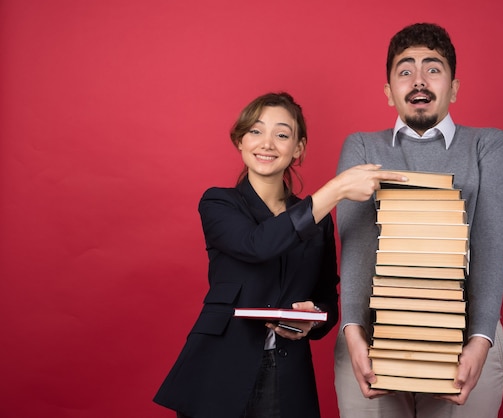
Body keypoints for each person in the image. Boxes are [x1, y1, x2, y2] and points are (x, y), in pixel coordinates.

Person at [153, 92, 406, 418]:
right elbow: (257, 245)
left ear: (298, 149)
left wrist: (311, 318)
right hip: (218, 369)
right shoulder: (218, 203)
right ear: (240, 141)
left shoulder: (319, 220)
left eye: (282, 134)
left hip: (287, 374)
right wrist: (337, 189)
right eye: (256, 131)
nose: (267, 143)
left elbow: (328, 302)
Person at [333, 23, 503, 418]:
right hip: (372, 336)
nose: (418, 80)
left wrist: (480, 338)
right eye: (405, 71)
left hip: (467, 334)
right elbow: (356, 243)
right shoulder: (363, 146)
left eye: (433, 69)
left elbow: (491, 244)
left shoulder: (488, 145)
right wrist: (353, 330)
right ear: (389, 92)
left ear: (453, 87)